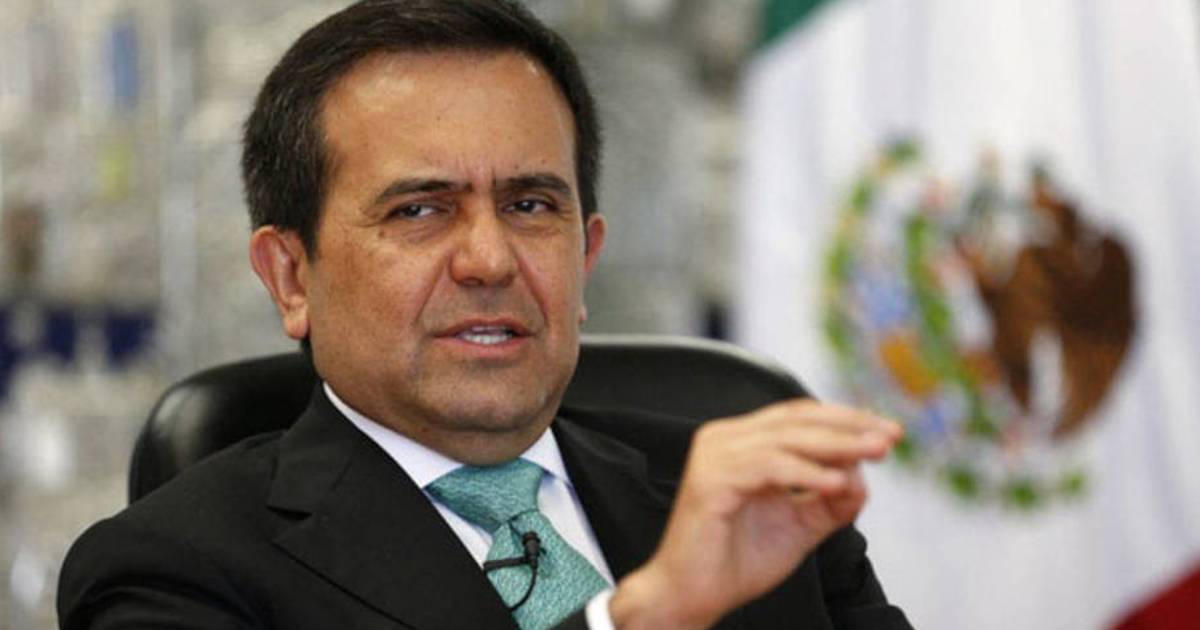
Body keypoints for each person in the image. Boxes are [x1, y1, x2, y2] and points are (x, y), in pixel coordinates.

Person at [57, 1, 912, 628]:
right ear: (291, 277)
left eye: (531, 205)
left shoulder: (755, 508)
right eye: (420, 211)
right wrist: (640, 620)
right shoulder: (173, 569)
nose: (490, 260)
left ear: (585, 256)